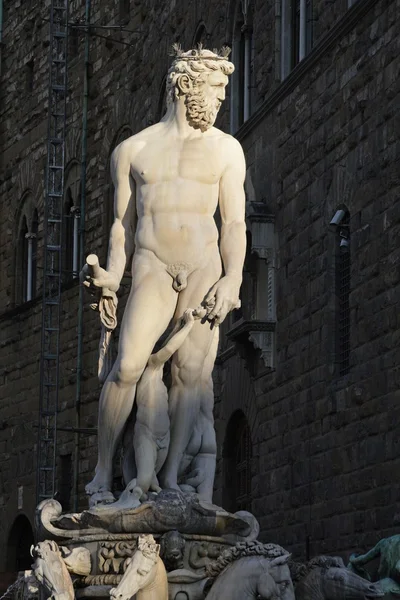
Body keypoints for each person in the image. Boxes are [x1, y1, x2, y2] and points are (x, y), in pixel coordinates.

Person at [82, 46, 246, 506]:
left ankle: (172, 478)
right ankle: (100, 474)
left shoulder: (226, 149)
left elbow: (234, 223)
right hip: (153, 264)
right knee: (128, 366)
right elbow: (122, 227)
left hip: (203, 266)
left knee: (190, 374)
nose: (219, 102)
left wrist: (232, 277)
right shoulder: (133, 150)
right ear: (185, 84)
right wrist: (112, 275)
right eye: (215, 90)